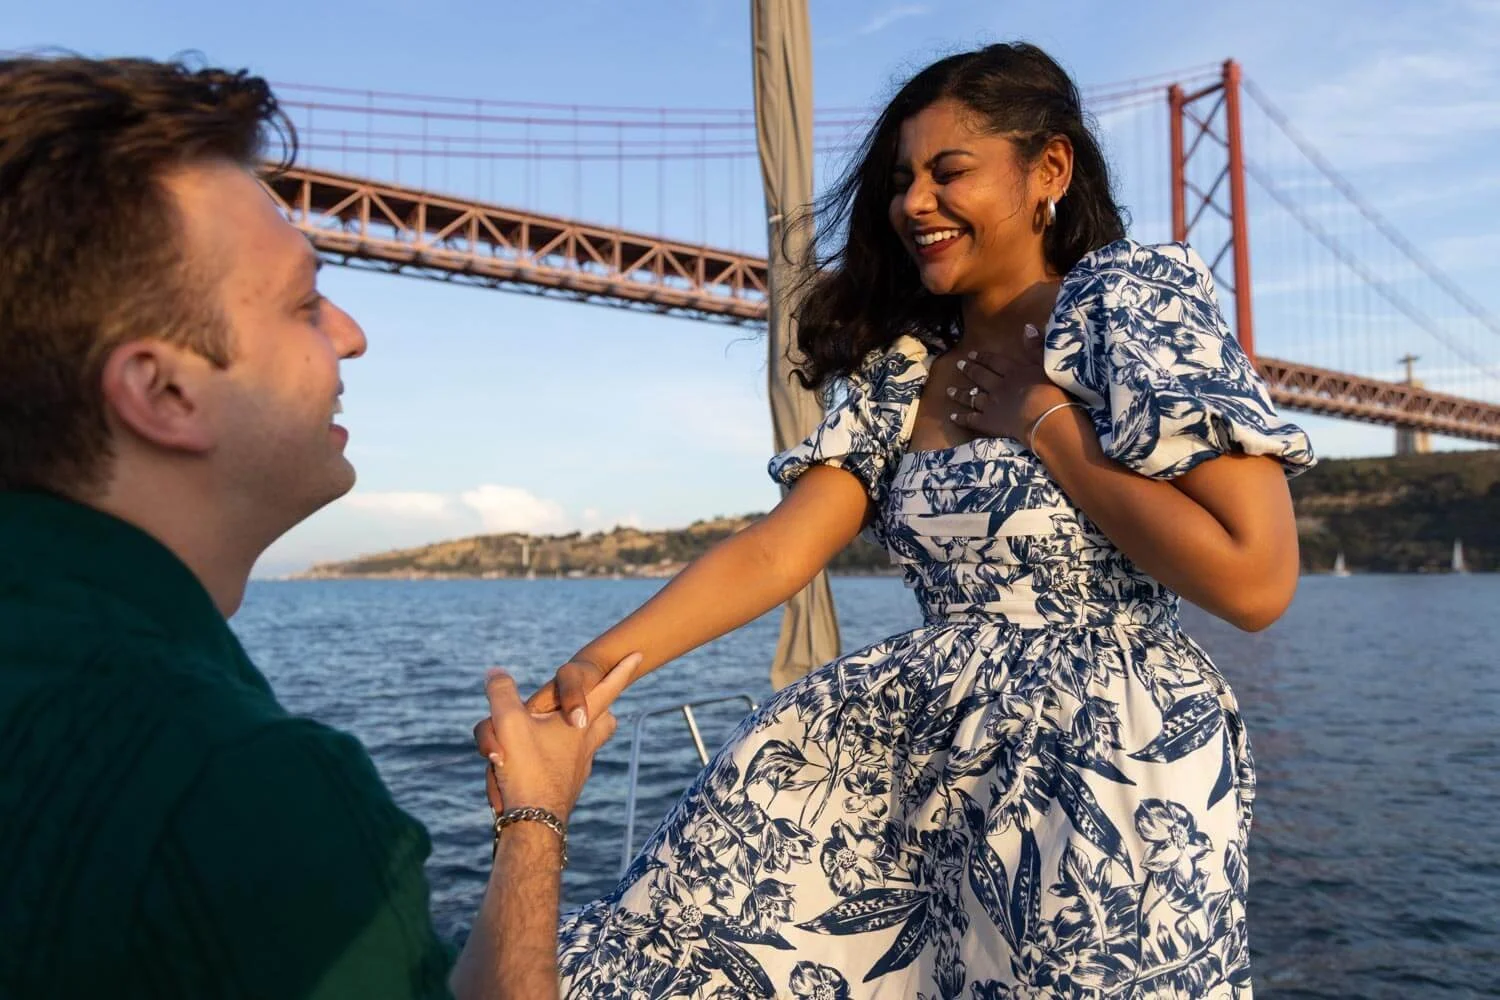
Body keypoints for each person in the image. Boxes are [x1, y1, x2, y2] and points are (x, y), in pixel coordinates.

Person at [507, 42, 1314, 998]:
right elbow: (781, 548)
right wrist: (597, 666)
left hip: (1111, 758)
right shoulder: (902, 368)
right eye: (901, 181)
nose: (914, 203)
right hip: (929, 760)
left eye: (948, 171)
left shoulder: (1126, 307)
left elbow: (1256, 581)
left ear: (1049, 169)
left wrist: (1046, 423)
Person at [0, 54, 632, 1000]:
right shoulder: (244, 791)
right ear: (163, 391)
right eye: (304, 303)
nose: (350, 334)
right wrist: (535, 819)